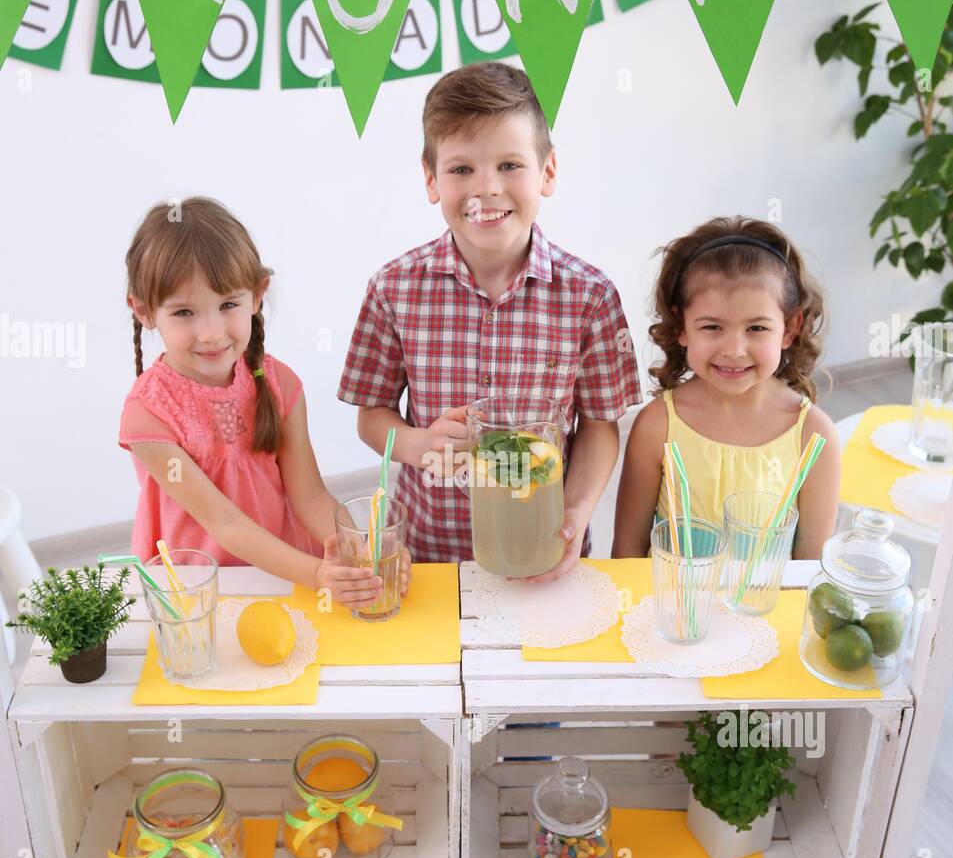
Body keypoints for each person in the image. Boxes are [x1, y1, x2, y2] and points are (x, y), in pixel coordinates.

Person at [338, 62, 641, 580]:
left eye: (509, 165)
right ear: (431, 180)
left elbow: (598, 428)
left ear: (547, 172)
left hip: (543, 546)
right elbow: (373, 416)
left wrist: (575, 513)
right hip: (430, 553)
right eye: (461, 170)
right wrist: (413, 444)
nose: (486, 189)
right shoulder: (393, 290)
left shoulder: (590, 296)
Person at [120, 197, 407, 609]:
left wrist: (365, 554)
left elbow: (309, 496)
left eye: (228, 305)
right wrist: (316, 575)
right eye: (184, 312)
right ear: (144, 311)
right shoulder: (147, 414)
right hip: (197, 592)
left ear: (257, 296)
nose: (210, 333)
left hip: (283, 574)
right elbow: (223, 521)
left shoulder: (279, 384)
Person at [613, 217, 840, 560]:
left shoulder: (814, 434)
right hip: (671, 613)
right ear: (682, 327)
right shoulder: (657, 425)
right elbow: (628, 552)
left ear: (790, 328)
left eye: (757, 328)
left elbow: (809, 571)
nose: (734, 350)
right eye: (712, 326)